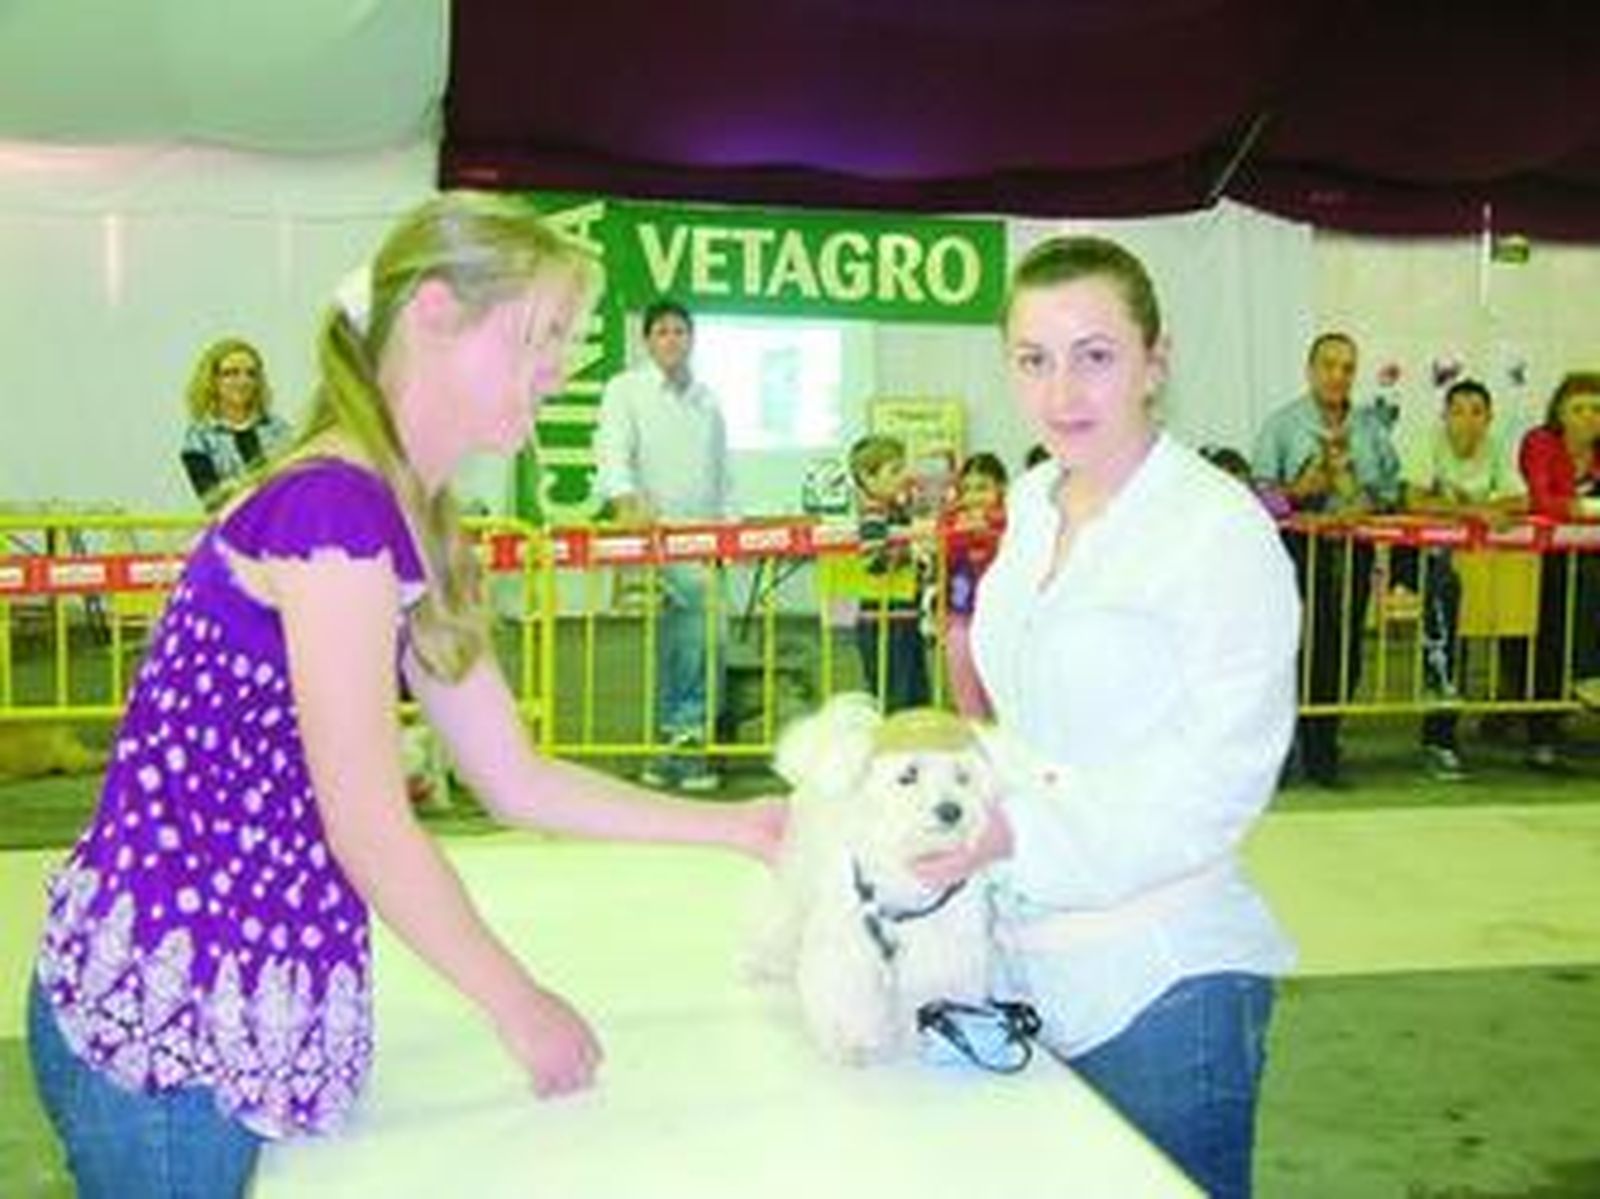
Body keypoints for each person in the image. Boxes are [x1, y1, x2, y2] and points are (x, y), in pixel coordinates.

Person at [26, 193, 783, 1198]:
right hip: (181, 1032)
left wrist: (739, 826)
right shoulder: (333, 510)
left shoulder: (400, 520)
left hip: (233, 1007)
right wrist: (518, 1003)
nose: (560, 367)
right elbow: (370, 825)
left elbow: (516, 777)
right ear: (435, 313)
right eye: (542, 335)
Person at [919, 235, 1299, 1199]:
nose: (1062, 393)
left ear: (1154, 361)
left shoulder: (1216, 530)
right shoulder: (1033, 502)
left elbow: (1222, 780)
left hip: (1163, 985)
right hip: (1023, 966)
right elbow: (1031, 719)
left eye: (1095, 355)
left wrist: (1017, 838)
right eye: (1033, 359)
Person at [1252, 332, 1402, 786]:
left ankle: (1325, 746)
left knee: (1346, 647)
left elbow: (1392, 489)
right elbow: (1259, 494)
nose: (1338, 375)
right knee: (1298, 645)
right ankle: (1285, 747)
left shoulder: (1371, 428)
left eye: (1347, 368)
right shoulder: (1282, 424)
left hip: (1353, 550)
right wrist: (1299, 491)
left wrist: (1363, 499)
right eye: (1329, 365)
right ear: (1310, 369)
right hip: (1297, 552)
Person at [594, 297, 732, 791]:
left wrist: (731, 530)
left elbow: (721, 472)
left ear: (691, 339)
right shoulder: (625, 389)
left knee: (698, 635)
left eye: (680, 331)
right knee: (699, 618)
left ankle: (675, 748)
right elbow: (611, 450)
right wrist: (625, 499)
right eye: (663, 332)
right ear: (647, 341)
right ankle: (685, 739)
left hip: (706, 538)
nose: (672, 339)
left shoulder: (707, 400)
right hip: (655, 535)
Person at [1401, 379, 1526, 780]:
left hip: (1479, 566)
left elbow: (1520, 499)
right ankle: (1439, 738)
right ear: (1445, 416)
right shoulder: (1429, 441)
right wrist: (1477, 511)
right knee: (1446, 641)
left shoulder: (1495, 446)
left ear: (1489, 418)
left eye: (1477, 412)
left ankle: (1517, 723)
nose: (1467, 421)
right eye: (1457, 411)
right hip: (1424, 563)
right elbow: (1414, 499)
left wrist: (1468, 507)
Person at [1515, 371, 1600, 764]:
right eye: (1578, 408)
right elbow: (1540, 499)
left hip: (1589, 560)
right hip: (1542, 560)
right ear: (1560, 412)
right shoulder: (1540, 442)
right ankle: (1543, 731)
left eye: (1596, 409)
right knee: (1550, 636)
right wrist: (1584, 507)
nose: (1588, 417)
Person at [846, 432, 932, 713]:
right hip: (882, 619)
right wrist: (912, 552)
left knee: (914, 691)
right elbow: (873, 559)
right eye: (894, 471)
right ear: (867, 477)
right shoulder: (873, 513)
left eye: (903, 468)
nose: (904, 476)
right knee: (897, 695)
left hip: (903, 613)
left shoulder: (896, 509)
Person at [179, 337, 294, 510]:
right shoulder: (199, 437)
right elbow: (211, 497)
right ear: (212, 381)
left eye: (251, 373)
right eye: (231, 373)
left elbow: (293, 484)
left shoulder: (279, 429)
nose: (243, 381)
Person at [939, 451, 1007, 718]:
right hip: (961, 616)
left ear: (1001, 487)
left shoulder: (1013, 519)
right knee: (962, 675)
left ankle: (1003, 731)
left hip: (1001, 618)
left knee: (999, 680)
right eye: (966, 489)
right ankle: (973, 727)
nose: (973, 496)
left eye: (982, 488)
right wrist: (960, 534)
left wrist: (988, 529)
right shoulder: (952, 520)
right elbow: (944, 560)